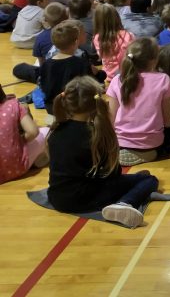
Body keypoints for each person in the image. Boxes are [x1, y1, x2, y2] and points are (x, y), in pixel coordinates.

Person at [47, 76, 159, 228]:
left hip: (57, 197)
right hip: (87, 199)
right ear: (96, 104)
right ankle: (125, 203)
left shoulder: (55, 130)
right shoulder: (96, 134)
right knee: (150, 180)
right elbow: (113, 174)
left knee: (138, 176)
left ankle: (132, 185)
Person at [106, 37, 170, 166]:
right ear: (154, 60)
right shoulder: (163, 79)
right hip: (152, 145)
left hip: (120, 144)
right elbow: (168, 119)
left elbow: (110, 119)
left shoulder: (116, 80)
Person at [0, 82, 49, 184]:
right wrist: (18, 140)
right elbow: (33, 132)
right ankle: (37, 159)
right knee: (47, 132)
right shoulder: (13, 105)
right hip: (16, 166)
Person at [93, 4, 135, 78]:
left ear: (97, 20)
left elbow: (102, 57)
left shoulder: (97, 38)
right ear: (117, 17)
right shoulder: (129, 35)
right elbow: (133, 56)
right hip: (126, 74)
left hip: (107, 75)